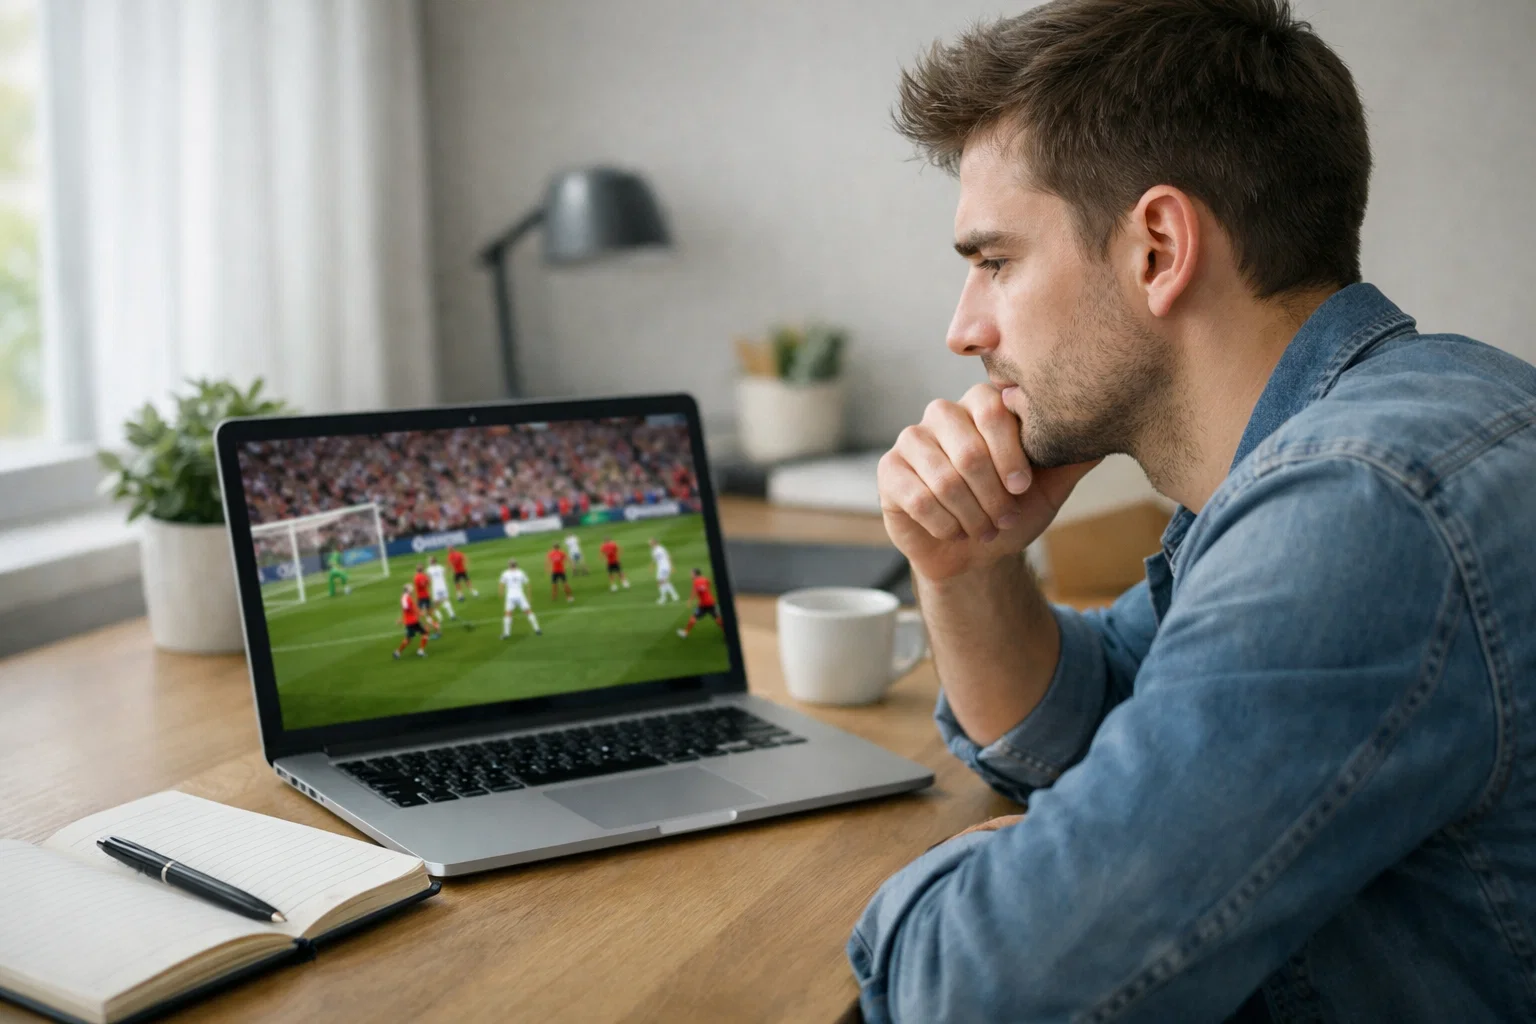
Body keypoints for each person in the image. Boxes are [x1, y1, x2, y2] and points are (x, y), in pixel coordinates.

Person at [849, 2, 1536, 1022]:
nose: (964, 328)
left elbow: (985, 990)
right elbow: (1101, 713)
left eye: (994, 261)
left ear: (1160, 248)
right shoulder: (1394, 418)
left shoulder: (1359, 511)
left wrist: (1011, 868)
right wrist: (969, 566)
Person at [498, 558, 542, 639]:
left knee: (508, 613)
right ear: (516, 564)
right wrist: (529, 596)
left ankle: (506, 633)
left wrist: (500, 593)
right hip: (520, 595)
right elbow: (528, 585)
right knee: (528, 611)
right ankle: (537, 629)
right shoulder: (521, 572)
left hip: (510, 596)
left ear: (509, 565)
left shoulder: (505, 573)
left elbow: (501, 585)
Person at [676, 569, 719, 638]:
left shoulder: (696, 581)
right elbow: (709, 584)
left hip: (703, 604)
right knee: (717, 617)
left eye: (691, 574)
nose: (690, 575)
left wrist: (690, 601)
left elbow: (694, 592)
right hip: (711, 602)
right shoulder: (705, 579)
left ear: (695, 574)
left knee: (694, 617)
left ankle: (685, 633)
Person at [392, 584, 427, 659]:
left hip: (411, 621)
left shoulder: (407, 597)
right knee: (424, 632)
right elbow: (407, 608)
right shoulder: (405, 597)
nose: (412, 589)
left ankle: (398, 652)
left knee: (409, 638)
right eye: (411, 588)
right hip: (412, 621)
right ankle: (420, 651)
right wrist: (419, 613)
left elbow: (409, 608)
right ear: (407, 589)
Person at [426, 555, 456, 621]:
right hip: (443, 586)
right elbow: (446, 572)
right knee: (444, 600)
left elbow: (428, 579)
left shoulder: (429, 569)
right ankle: (452, 615)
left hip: (437, 588)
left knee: (437, 602)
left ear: (431, 562)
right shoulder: (439, 567)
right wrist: (449, 566)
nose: (429, 561)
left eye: (429, 560)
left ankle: (439, 614)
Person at [649, 537, 679, 604]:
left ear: (654, 543)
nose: (649, 544)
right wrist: (651, 566)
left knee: (661, 582)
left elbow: (669, 557)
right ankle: (674, 596)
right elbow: (655, 559)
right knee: (663, 582)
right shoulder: (653, 550)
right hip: (661, 568)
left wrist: (672, 567)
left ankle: (664, 598)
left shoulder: (661, 549)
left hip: (665, 567)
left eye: (650, 542)